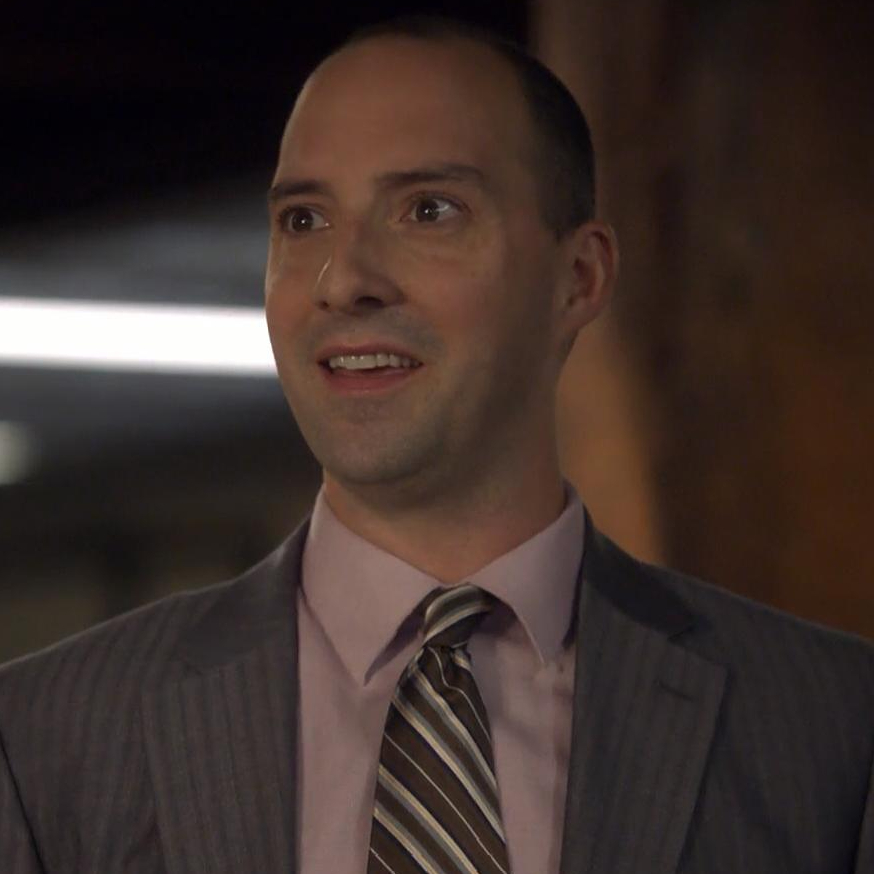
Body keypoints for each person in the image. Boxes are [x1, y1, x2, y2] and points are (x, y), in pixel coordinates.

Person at [1, 15, 872, 874]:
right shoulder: (47, 739)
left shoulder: (831, 724)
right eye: (303, 221)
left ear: (579, 278)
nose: (345, 279)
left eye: (428, 210)